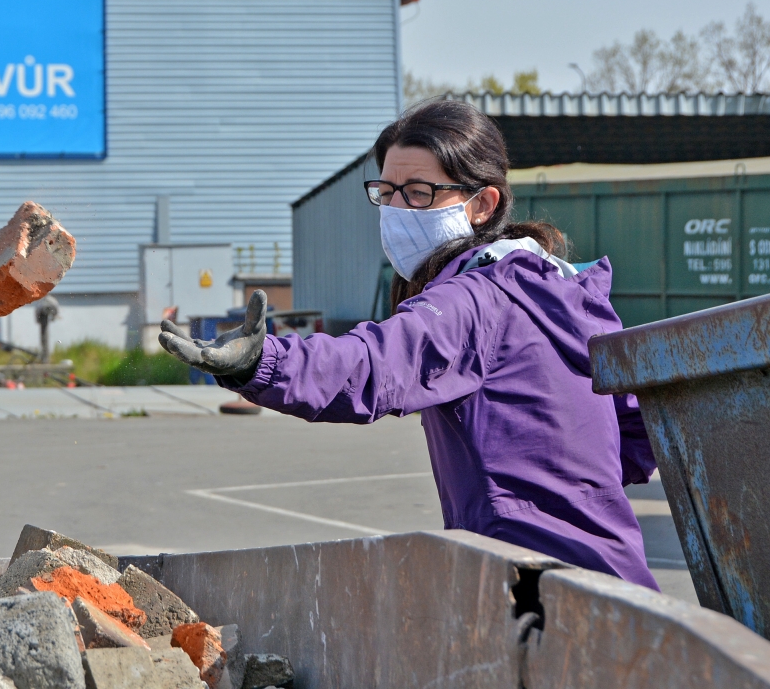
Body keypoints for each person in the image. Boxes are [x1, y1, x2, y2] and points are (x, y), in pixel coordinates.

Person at [159, 99, 658, 590]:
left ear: (483, 205)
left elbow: (377, 362)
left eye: (420, 192)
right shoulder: (563, 287)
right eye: (388, 190)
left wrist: (262, 362)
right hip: (617, 583)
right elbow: (635, 437)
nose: (398, 209)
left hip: (537, 593)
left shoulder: (476, 300)